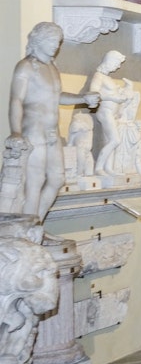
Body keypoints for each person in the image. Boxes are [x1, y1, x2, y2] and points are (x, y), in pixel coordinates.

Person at [8, 22, 100, 219]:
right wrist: (16, 132)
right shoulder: (25, 67)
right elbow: (16, 100)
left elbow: (57, 97)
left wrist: (83, 98)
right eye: (51, 41)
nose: (55, 46)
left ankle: (35, 225)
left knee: (57, 179)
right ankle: (29, 231)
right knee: (35, 182)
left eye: (58, 42)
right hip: (33, 133)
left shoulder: (52, 67)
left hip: (52, 134)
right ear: (37, 41)